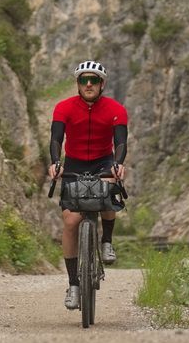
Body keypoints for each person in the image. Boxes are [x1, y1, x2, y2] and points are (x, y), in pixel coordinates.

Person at [47, 60, 129, 310]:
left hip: (103, 161)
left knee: (108, 191)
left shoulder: (116, 109)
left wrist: (118, 164)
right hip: (74, 163)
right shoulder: (63, 108)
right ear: (78, 84)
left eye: (94, 80)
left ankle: (106, 242)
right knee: (71, 222)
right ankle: (73, 284)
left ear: (102, 83)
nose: (89, 84)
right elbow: (56, 139)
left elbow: (121, 143)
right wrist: (55, 163)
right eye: (84, 80)